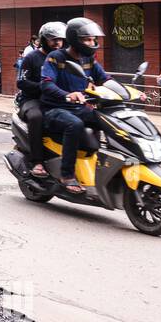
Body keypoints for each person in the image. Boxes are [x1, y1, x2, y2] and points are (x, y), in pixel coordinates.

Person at [39, 17, 115, 194]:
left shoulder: (89, 58)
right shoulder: (55, 57)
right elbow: (46, 84)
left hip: (79, 108)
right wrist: (68, 95)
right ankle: (67, 175)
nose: (92, 42)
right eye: (87, 39)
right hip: (55, 108)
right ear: (74, 39)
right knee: (75, 124)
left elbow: (105, 79)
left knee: (107, 120)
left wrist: (129, 91)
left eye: (93, 39)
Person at [18, 21, 66, 179]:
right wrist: (43, 87)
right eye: (54, 40)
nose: (58, 43)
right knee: (36, 117)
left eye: (60, 40)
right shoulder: (31, 57)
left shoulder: (64, 58)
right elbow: (21, 81)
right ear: (44, 39)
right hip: (32, 100)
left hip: (57, 99)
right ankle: (37, 162)